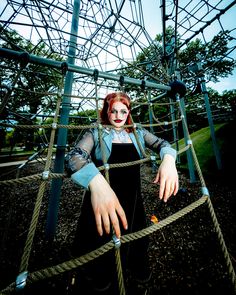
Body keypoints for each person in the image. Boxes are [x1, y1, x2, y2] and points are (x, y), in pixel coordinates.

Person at [65, 92, 179, 294]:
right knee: (100, 241)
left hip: (132, 198)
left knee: (136, 238)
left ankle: (136, 273)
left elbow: (163, 144)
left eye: (123, 111)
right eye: (113, 111)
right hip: (103, 197)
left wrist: (169, 160)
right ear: (107, 112)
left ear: (128, 113)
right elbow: (74, 156)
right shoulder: (97, 131)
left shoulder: (137, 132)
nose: (118, 115)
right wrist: (96, 182)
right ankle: (101, 280)